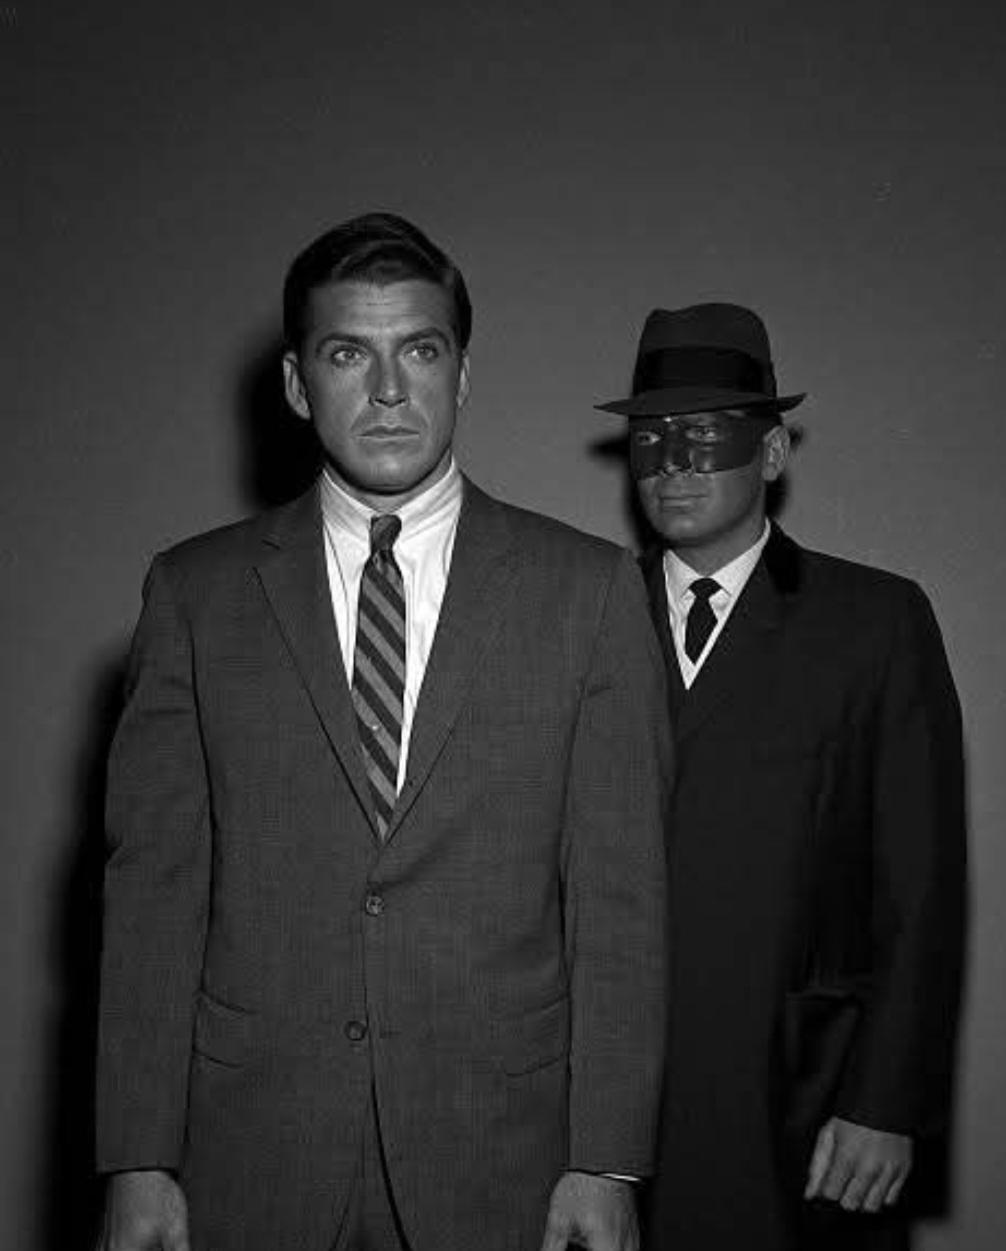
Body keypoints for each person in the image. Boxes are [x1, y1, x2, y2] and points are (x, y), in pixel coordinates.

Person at [96, 213, 670, 1251]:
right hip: (251, 1154)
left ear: (463, 374)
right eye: (348, 354)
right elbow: (154, 895)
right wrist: (139, 1157)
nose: (391, 389)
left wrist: (607, 1161)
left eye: (421, 350)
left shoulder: (586, 592)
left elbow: (620, 901)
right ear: (295, 383)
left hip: (505, 1157)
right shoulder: (195, 593)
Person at [596, 303, 965, 1250]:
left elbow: (921, 885)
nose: (673, 463)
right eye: (651, 439)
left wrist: (886, 1100)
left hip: (802, 1104)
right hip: (610, 1116)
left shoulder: (875, 621)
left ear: (769, 453)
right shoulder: (582, 617)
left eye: (706, 435)